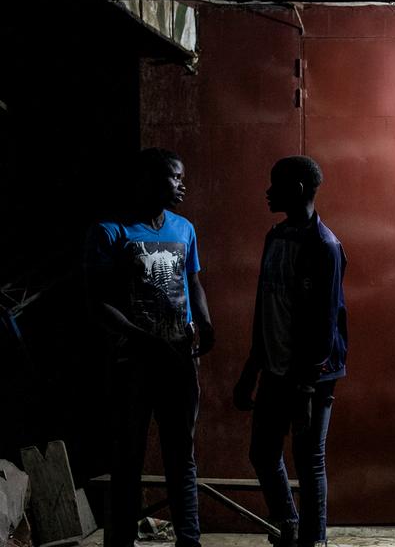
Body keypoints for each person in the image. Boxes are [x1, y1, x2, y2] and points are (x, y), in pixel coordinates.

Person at [85, 147, 215, 547]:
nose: (181, 185)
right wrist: (142, 338)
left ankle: (189, 540)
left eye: (181, 177)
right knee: (128, 458)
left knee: (182, 457)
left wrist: (205, 322)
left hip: (178, 361)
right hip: (132, 365)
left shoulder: (184, 228)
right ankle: (121, 541)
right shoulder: (110, 231)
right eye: (174, 177)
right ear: (147, 181)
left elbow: (193, 282)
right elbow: (97, 301)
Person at [233, 156, 348, 547]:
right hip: (275, 368)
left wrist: (306, 385)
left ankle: (313, 540)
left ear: (297, 190)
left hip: (310, 375)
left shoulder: (325, 245)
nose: (268, 192)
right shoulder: (276, 237)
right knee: (263, 452)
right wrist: (252, 368)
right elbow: (264, 305)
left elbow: (325, 322)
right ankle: (291, 526)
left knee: (308, 458)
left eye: (275, 185)